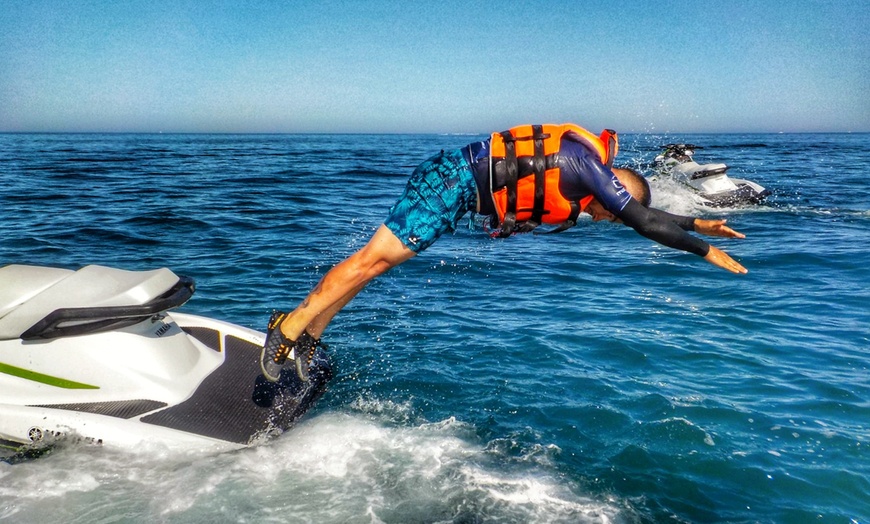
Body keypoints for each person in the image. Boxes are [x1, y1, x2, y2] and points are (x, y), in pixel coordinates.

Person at [260, 123, 748, 382]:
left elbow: (638, 214)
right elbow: (642, 219)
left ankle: (310, 334)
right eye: (610, 213)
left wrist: (692, 220)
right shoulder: (587, 164)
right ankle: (288, 326)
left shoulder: (588, 184)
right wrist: (702, 249)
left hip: (455, 193)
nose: (605, 220)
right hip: (449, 183)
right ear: (616, 189)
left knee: (373, 269)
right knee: (371, 261)